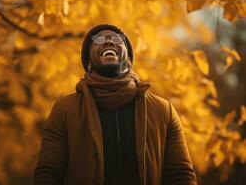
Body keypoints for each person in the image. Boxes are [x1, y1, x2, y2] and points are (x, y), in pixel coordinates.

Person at [34, 24, 197, 185]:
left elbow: (181, 174)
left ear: (128, 60)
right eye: (99, 39)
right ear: (89, 61)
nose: (108, 41)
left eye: (116, 38)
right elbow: (48, 173)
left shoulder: (163, 110)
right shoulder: (64, 110)